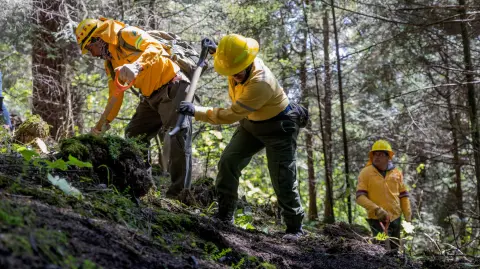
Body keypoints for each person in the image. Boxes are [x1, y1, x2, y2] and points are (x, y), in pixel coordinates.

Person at [177, 34, 306, 241]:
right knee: (229, 161)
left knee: (282, 177)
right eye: (230, 71)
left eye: (237, 72)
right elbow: (230, 57)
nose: (234, 75)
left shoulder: (260, 83)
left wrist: (196, 111)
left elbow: (229, 115)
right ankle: (225, 215)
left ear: (247, 64)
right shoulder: (238, 60)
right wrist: (216, 50)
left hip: (278, 127)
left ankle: (295, 228)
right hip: (251, 124)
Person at [75, 18, 192, 198]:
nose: (92, 54)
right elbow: (115, 96)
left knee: (177, 136)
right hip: (150, 96)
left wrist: (136, 66)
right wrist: (100, 126)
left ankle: (180, 195)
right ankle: (144, 187)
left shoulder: (128, 34)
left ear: (98, 38)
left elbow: (155, 47)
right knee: (134, 134)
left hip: (173, 86)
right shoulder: (110, 62)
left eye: (90, 48)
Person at [356, 139, 412, 249]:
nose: (376, 157)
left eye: (380, 154)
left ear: (388, 157)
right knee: (381, 250)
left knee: (395, 251)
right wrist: (376, 209)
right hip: (377, 220)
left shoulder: (396, 173)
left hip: (395, 218)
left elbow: (404, 196)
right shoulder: (366, 173)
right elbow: (360, 197)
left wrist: (408, 217)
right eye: (374, 154)